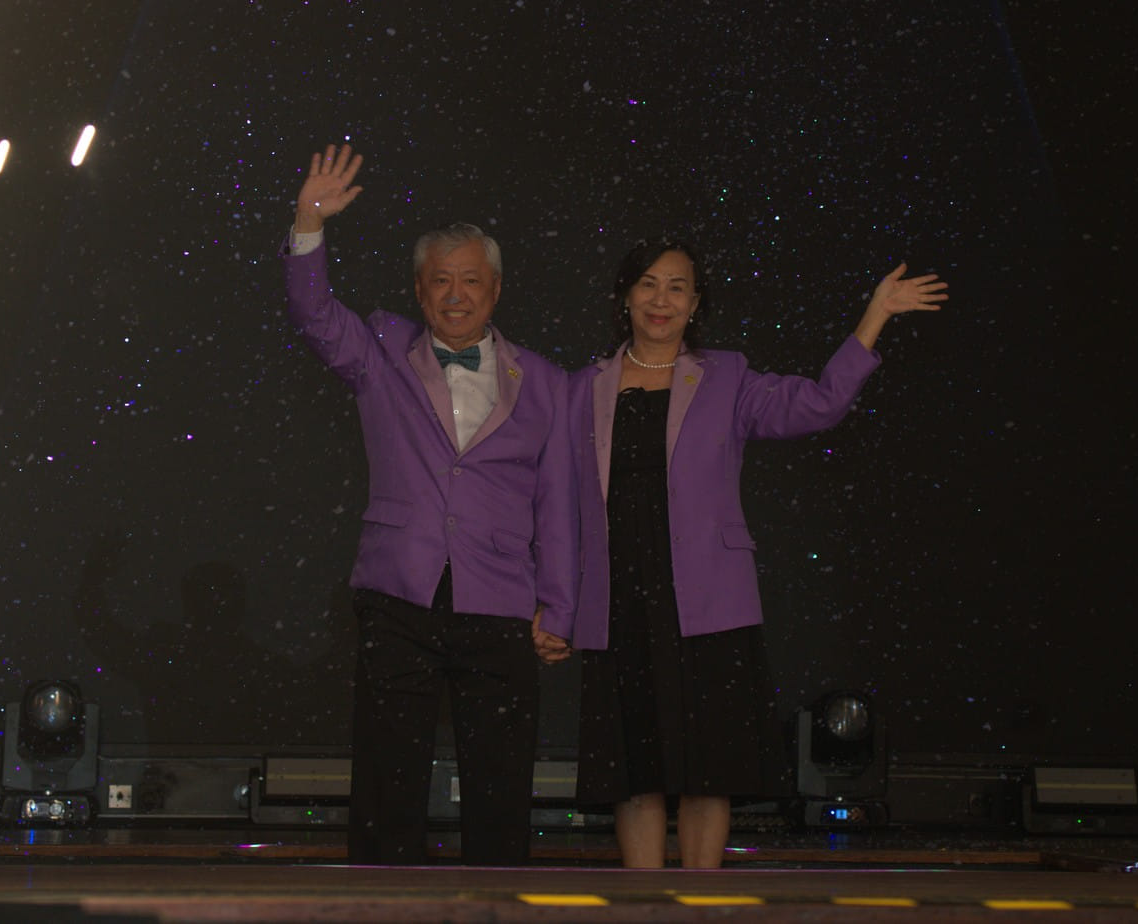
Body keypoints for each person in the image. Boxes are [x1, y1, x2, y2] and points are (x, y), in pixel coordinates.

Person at [570, 237, 949, 868]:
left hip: (710, 602)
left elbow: (819, 405)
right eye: (648, 284)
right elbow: (560, 502)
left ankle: (700, 903)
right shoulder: (582, 387)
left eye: (677, 287)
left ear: (696, 303)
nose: (662, 299)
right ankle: (643, 905)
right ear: (625, 297)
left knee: (708, 768)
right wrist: (556, 600)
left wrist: (875, 314)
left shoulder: (726, 376)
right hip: (620, 597)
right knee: (635, 770)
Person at [283, 144, 575, 865]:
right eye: (440, 280)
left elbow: (558, 503)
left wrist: (559, 604)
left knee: (500, 779)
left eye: (470, 280)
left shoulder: (544, 381)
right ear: (419, 290)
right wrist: (309, 221)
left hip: (501, 595)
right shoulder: (381, 349)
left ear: (495, 289)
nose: (455, 295)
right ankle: (380, 905)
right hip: (399, 591)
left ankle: (496, 905)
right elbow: (314, 314)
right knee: (389, 777)